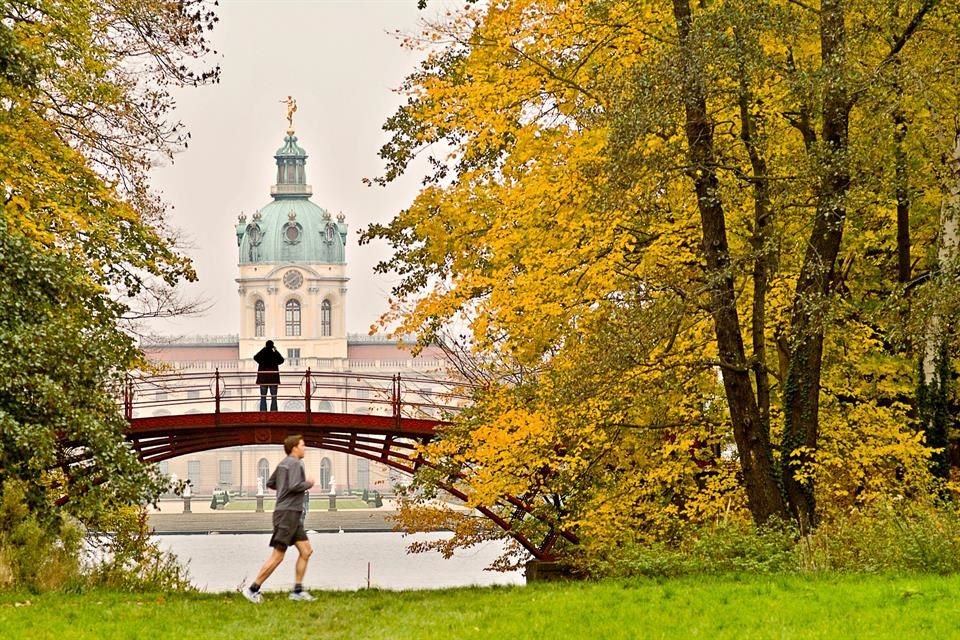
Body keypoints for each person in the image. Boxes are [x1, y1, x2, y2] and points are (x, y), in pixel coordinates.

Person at [241, 434, 316, 603]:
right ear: (294, 448)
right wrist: (308, 484)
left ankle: (297, 592)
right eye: (303, 445)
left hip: (290, 513)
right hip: (287, 513)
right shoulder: (296, 463)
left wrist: (283, 486)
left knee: (306, 551)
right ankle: (252, 589)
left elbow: (270, 483)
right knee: (278, 555)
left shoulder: (283, 464)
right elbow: (295, 486)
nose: (305, 448)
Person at [254, 340, 284, 412]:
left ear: (266, 345)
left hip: (263, 378)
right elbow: (281, 360)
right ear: (272, 345)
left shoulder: (263, 353)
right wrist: (275, 350)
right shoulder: (274, 354)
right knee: (274, 396)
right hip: (273, 378)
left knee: (263, 396)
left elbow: (255, 357)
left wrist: (264, 349)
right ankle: (274, 412)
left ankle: (263, 411)